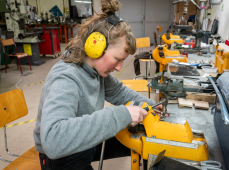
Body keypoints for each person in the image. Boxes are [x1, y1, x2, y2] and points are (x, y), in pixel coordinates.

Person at [33, 0, 162, 169]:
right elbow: (53, 140)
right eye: (117, 59)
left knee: (146, 138)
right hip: (62, 155)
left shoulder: (96, 70)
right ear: (95, 47)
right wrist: (120, 115)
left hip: (85, 140)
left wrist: (153, 106)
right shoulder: (65, 78)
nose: (118, 68)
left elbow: (119, 93)